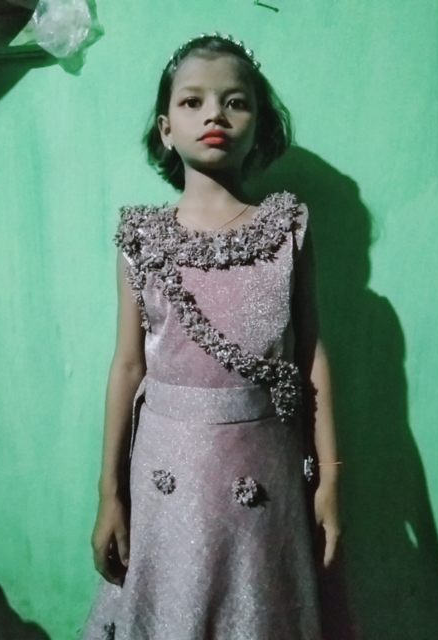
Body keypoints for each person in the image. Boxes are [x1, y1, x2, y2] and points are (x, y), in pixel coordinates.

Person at [80, 33, 341, 640]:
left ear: (261, 126)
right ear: (166, 128)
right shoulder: (141, 238)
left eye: (235, 102)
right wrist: (108, 493)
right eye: (192, 101)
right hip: (167, 477)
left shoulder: (287, 228)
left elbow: (311, 355)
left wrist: (332, 478)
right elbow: (127, 366)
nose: (214, 115)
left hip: (264, 471)